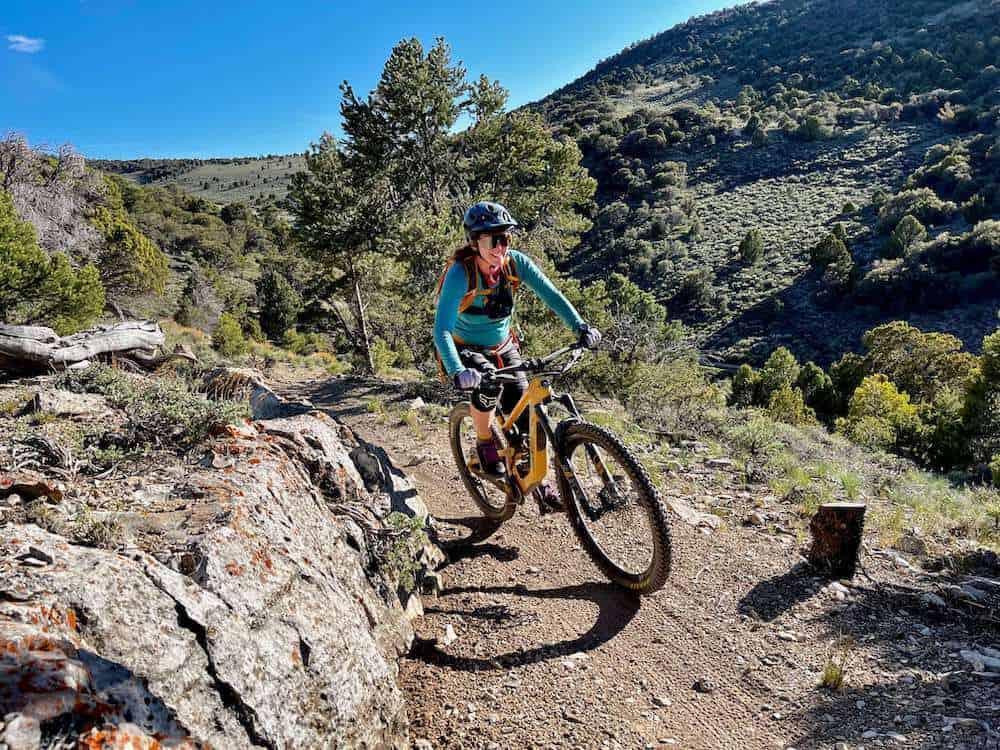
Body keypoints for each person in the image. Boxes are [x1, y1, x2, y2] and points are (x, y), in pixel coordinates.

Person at [433, 200, 601, 497]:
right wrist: (458, 370)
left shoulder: (516, 263)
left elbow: (553, 295)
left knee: (526, 418)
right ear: (475, 243)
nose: (500, 247)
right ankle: (485, 442)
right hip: (465, 347)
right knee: (486, 384)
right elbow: (441, 329)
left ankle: (538, 482)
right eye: (492, 240)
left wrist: (581, 327)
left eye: (506, 238)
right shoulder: (461, 273)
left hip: (503, 344)